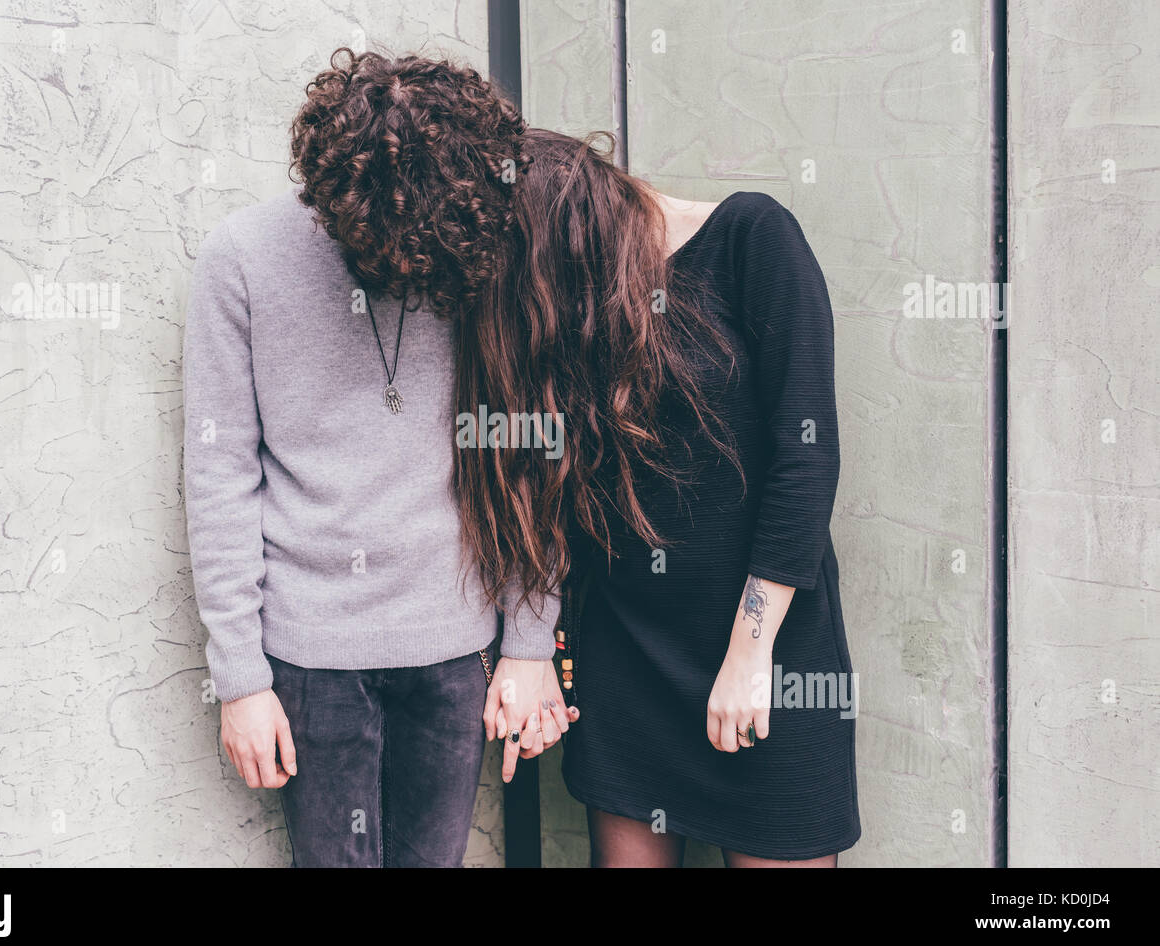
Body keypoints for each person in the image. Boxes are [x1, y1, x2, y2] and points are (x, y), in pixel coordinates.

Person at [294, 48, 860, 867]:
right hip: (628, 657)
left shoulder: (753, 239)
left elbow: (805, 464)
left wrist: (750, 651)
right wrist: (539, 656)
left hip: (767, 650)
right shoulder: (547, 314)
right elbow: (531, 490)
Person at [181, 63, 570, 864]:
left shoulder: (479, 242)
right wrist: (240, 677)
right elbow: (220, 474)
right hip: (310, 653)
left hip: (455, 645)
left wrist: (533, 643)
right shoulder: (242, 258)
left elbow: (531, 452)